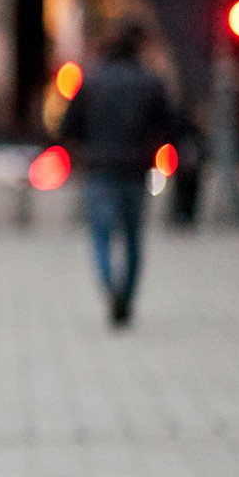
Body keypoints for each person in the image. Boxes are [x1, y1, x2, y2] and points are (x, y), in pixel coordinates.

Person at [58, 21, 175, 327]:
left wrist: (83, 150)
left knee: (101, 235)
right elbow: (168, 125)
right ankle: (126, 295)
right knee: (133, 237)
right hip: (135, 170)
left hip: (98, 169)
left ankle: (111, 287)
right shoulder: (151, 82)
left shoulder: (91, 81)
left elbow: (68, 126)